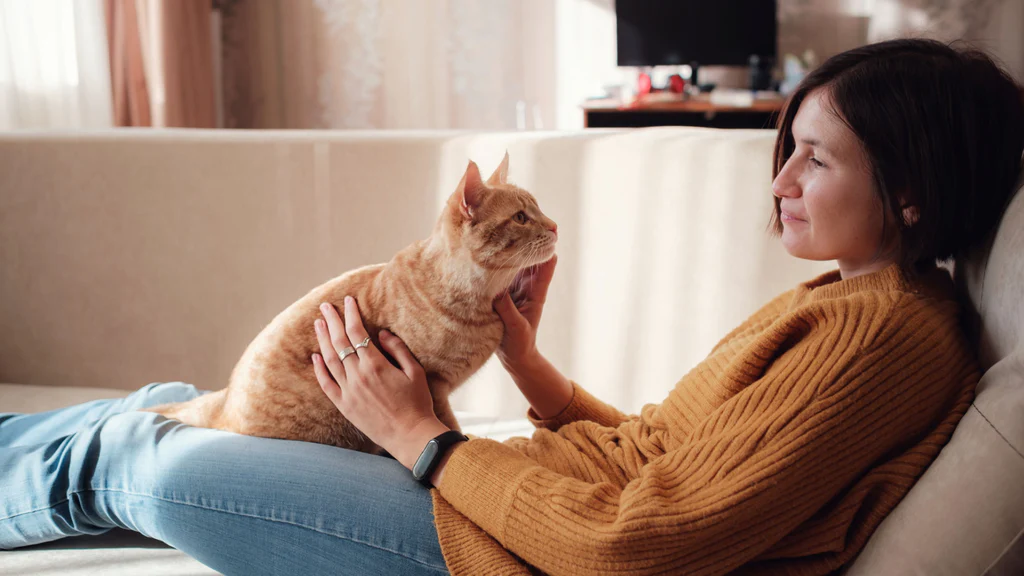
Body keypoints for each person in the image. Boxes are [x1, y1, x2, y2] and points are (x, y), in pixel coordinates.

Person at [2, 38, 1022, 575]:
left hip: (499, 549)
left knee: (147, 461)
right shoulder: (854, 298)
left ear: (911, 191)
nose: (781, 178)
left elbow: (641, 545)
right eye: (787, 148)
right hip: (513, 506)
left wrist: (422, 440)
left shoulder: (888, 338)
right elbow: (666, 458)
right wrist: (528, 365)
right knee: (177, 403)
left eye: (816, 159)